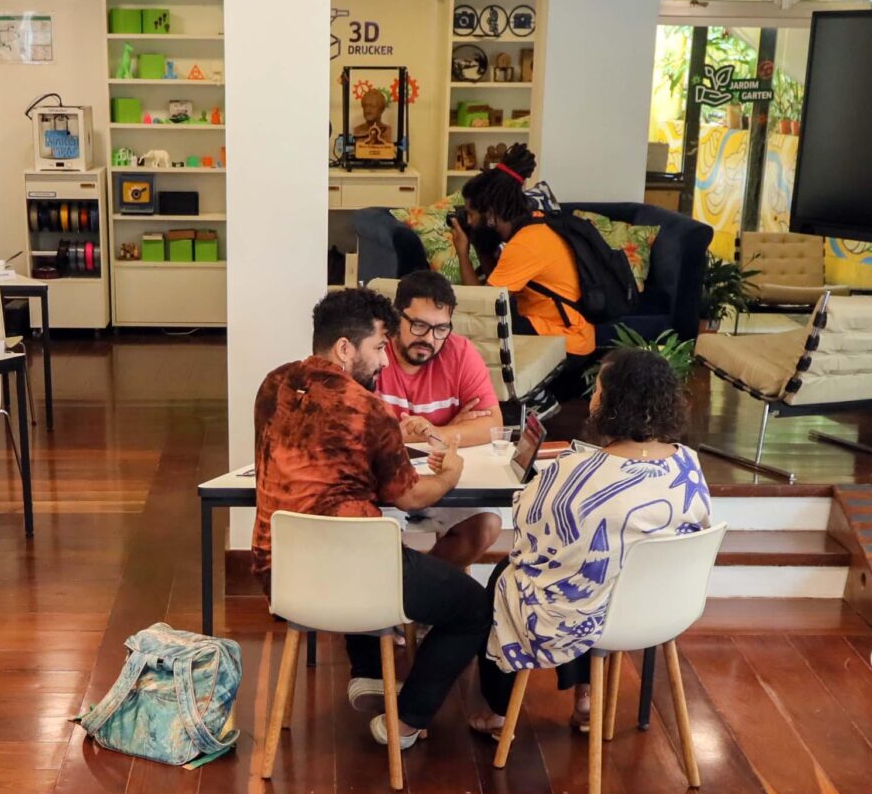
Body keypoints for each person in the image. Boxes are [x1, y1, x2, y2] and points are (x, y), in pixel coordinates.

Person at [253, 287, 497, 750]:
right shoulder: (368, 409)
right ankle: (407, 718)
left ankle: (368, 673)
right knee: (473, 607)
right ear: (346, 348)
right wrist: (451, 473)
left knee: (358, 531)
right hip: (356, 577)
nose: (385, 360)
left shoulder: (273, 386)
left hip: (280, 573)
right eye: (380, 347)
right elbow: (411, 497)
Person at [483, 347, 711, 733]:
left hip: (586, 616)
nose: (592, 398)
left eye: (598, 391)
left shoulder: (575, 472)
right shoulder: (687, 463)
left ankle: (498, 711)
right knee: (589, 567)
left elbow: (529, 531)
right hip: (662, 609)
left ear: (613, 402)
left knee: (512, 575)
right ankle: (586, 695)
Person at [452, 158, 593, 381]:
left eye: (471, 214)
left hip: (567, 343)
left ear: (490, 214)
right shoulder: (536, 223)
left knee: (483, 324)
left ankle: (530, 394)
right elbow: (496, 285)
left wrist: (462, 252)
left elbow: (482, 304)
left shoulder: (525, 245)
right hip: (562, 331)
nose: (468, 221)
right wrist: (481, 245)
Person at [373, 269, 499, 451]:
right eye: (419, 325)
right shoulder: (372, 350)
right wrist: (451, 429)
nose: (429, 339)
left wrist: (438, 433)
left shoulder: (460, 353)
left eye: (441, 329)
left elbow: (493, 424)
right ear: (396, 318)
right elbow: (351, 430)